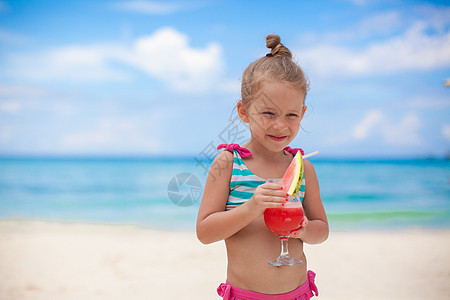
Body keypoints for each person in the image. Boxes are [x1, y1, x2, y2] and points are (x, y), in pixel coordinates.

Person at [196, 34, 328, 300]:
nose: (280, 125)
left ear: (302, 114)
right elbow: (205, 232)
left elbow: (321, 230)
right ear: (244, 112)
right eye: (269, 113)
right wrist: (251, 208)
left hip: (297, 293)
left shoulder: (303, 168)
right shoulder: (229, 164)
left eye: (291, 115)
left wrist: (303, 229)